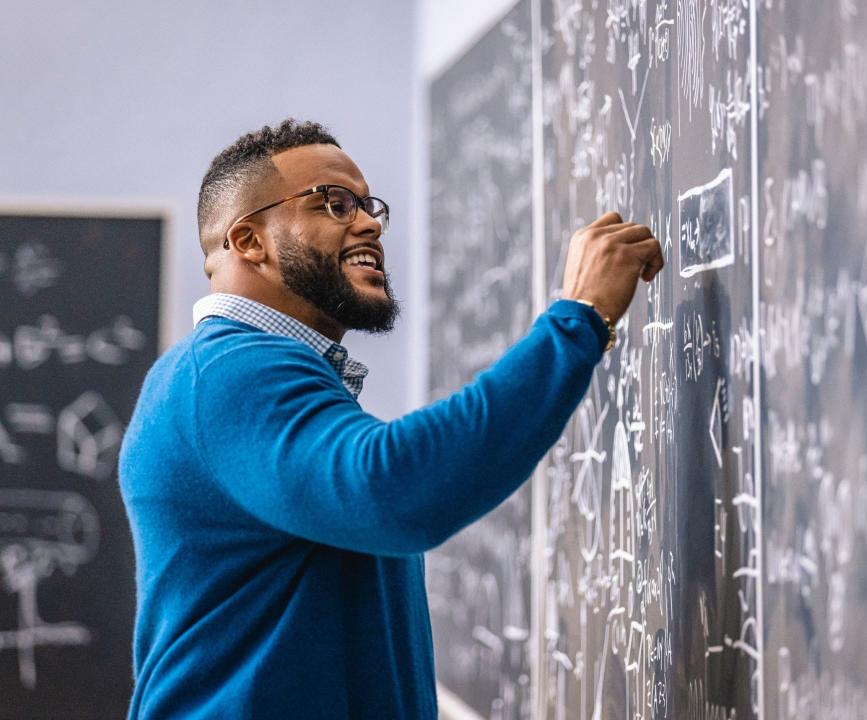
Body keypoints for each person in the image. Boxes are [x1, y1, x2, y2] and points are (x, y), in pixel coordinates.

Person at [119, 118, 663, 718]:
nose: (370, 221)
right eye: (334, 202)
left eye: (369, 204)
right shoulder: (230, 371)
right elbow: (395, 490)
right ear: (249, 241)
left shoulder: (246, 371)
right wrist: (577, 319)